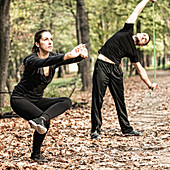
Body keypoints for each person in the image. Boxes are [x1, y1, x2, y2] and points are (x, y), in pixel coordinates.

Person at [10, 29, 88, 162]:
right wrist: (67, 55)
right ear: (37, 44)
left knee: (66, 101)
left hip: (36, 99)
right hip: (20, 99)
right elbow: (44, 62)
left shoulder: (53, 57)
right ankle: (36, 154)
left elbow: (69, 60)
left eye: (51, 39)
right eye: (45, 39)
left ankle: (40, 124)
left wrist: (81, 56)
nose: (50, 42)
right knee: (45, 120)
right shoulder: (31, 60)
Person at [91, 0, 158, 140]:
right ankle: (95, 130)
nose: (144, 37)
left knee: (120, 99)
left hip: (115, 69)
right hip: (102, 65)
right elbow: (136, 11)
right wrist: (147, 0)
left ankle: (126, 128)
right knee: (98, 98)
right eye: (144, 35)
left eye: (145, 39)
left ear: (142, 44)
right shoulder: (127, 30)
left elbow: (140, 69)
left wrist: (149, 84)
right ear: (139, 33)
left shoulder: (133, 51)